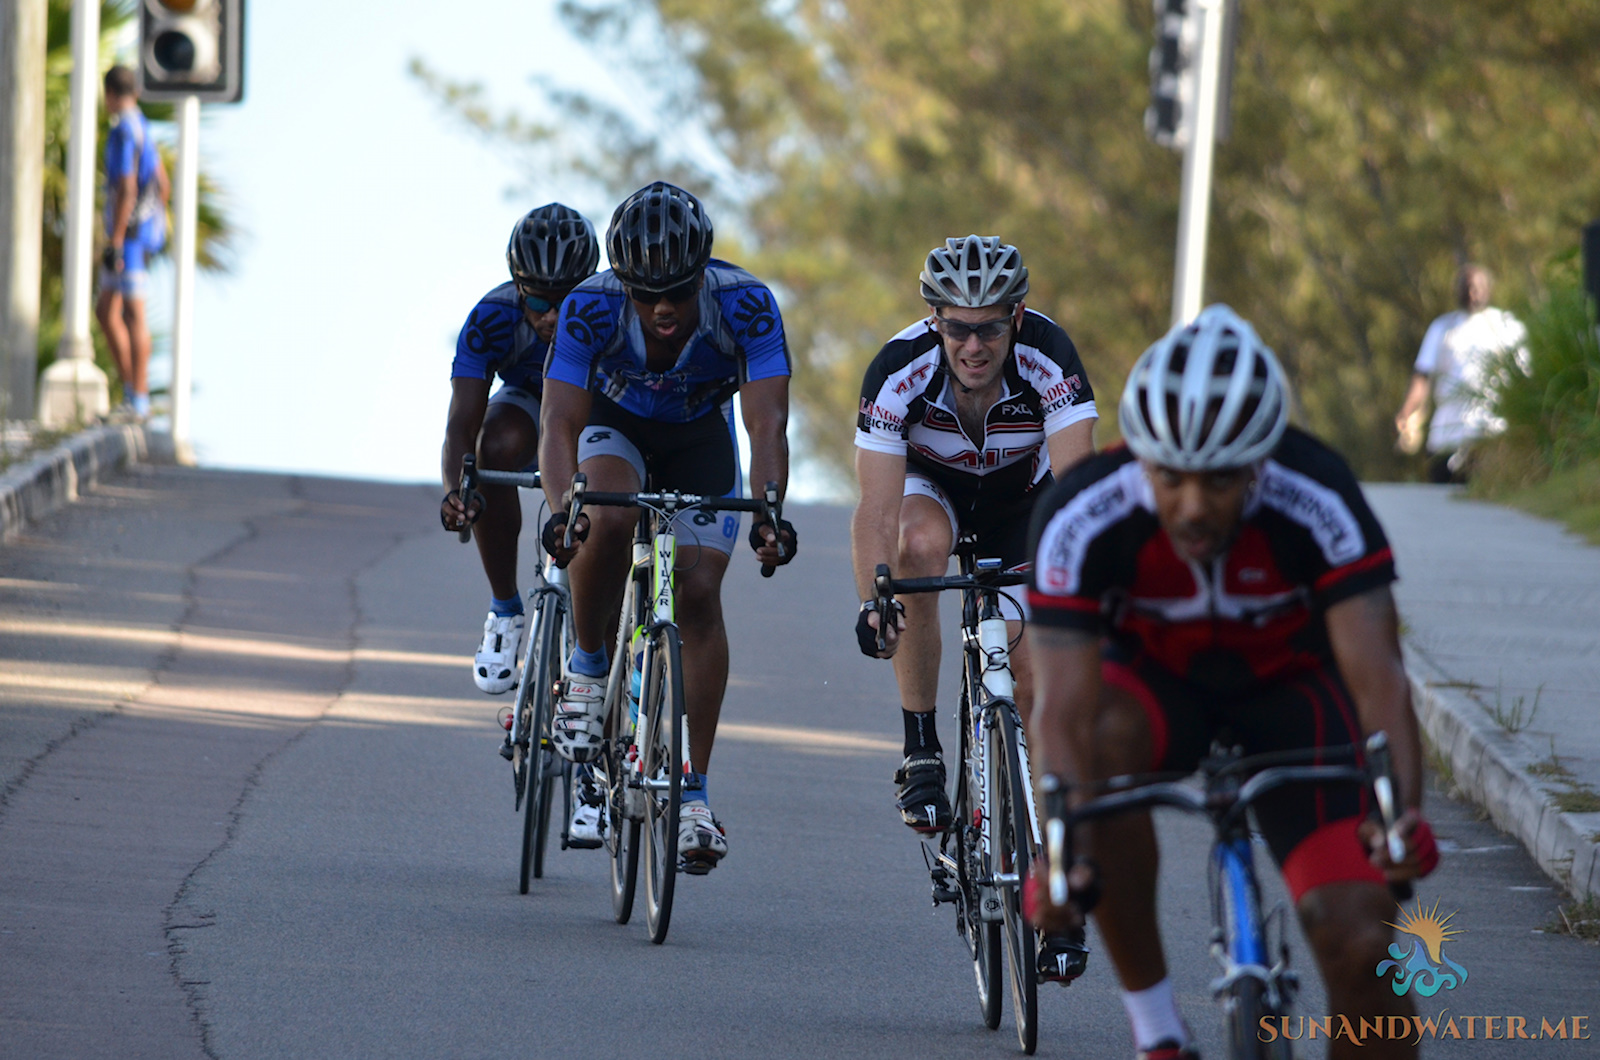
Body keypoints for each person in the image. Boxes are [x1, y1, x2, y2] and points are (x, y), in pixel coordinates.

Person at [1026, 305, 1439, 1060]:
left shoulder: (1317, 494)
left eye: (1218, 481)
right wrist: (1059, 854)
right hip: (1155, 692)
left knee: (1362, 946)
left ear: (1260, 464)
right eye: (1169, 477)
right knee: (1101, 747)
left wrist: (1399, 817)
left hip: (1293, 692)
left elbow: (1380, 680)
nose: (1191, 505)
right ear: (1137, 457)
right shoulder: (1081, 513)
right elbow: (1059, 711)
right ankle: (1157, 1030)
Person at [851, 235, 1098, 984]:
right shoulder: (899, 369)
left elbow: (1081, 492)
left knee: (1032, 674)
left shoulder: (1051, 355)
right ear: (934, 320)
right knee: (917, 552)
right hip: (935, 495)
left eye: (990, 325)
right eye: (957, 326)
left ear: (1017, 317)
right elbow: (874, 512)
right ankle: (922, 745)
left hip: (1028, 499)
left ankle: (1059, 887)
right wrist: (875, 603)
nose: (973, 344)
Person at [538, 181, 796, 869]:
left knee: (699, 592)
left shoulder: (745, 304)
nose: (662, 309)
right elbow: (559, 421)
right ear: (620, 282)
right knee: (606, 513)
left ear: (701, 276)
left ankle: (692, 796)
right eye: (645, 293)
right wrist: (566, 509)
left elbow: (767, 422)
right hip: (612, 427)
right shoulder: (590, 306)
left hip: (699, 439)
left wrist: (769, 507)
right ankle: (590, 666)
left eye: (678, 292)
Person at [439, 204, 599, 712]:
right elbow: (461, 422)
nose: (551, 316)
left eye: (565, 300)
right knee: (494, 444)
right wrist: (456, 491)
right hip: (529, 400)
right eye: (536, 300)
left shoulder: (610, 308)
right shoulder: (491, 316)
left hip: (595, 404)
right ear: (516, 287)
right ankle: (505, 609)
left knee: (607, 471)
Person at [1394, 264, 1527, 484]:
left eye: (1476, 287)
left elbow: (1523, 379)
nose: (1471, 293)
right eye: (1465, 288)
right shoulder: (1442, 328)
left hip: (1492, 432)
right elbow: (1422, 376)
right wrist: (1406, 412)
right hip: (1447, 435)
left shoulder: (1507, 326)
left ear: (1488, 289)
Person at [95, 65, 169, 420]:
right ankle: (131, 393)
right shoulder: (143, 126)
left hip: (130, 236)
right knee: (106, 309)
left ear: (109, 93)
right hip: (141, 232)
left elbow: (127, 186)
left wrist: (118, 239)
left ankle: (137, 398)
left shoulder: (125, 130)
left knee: (131, 312)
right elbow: (162, 183)